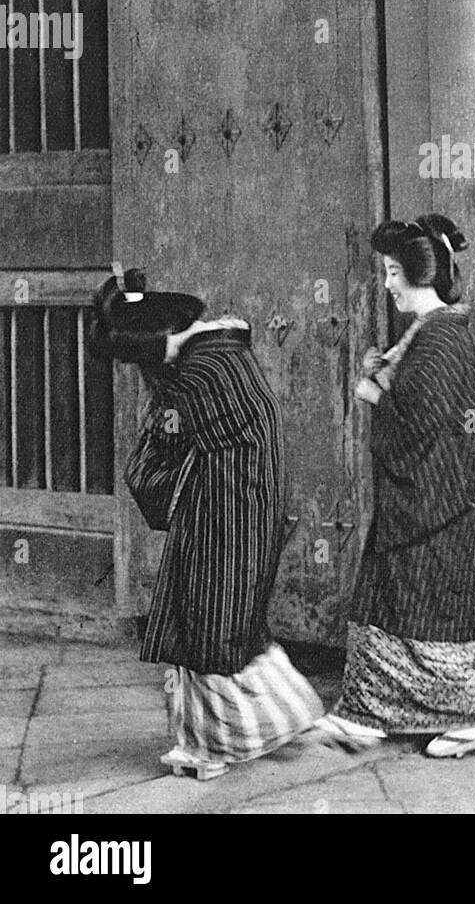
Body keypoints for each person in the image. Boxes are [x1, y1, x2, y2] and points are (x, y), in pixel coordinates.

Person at [91, 271, 323, 780]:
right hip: (241, 506)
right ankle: (282, 713)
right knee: (227, 623)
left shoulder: (199, 373)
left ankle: (217, 746)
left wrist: (151, 469)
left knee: (206, 623)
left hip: (222, 511)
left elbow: (158, 451)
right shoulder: (225, 355)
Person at [314, 215, 475, 758]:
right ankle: (368, 714)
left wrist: (376, 395)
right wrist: (388, 374)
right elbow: (425, 408)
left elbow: (423, 422)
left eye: (395, 272)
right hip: (433, 494)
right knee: (389, 589)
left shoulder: (441, 339)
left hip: (441, 497)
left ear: (422, 274)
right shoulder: (432, 332)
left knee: (425, 598)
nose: (390, 284)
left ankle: (471, 716)